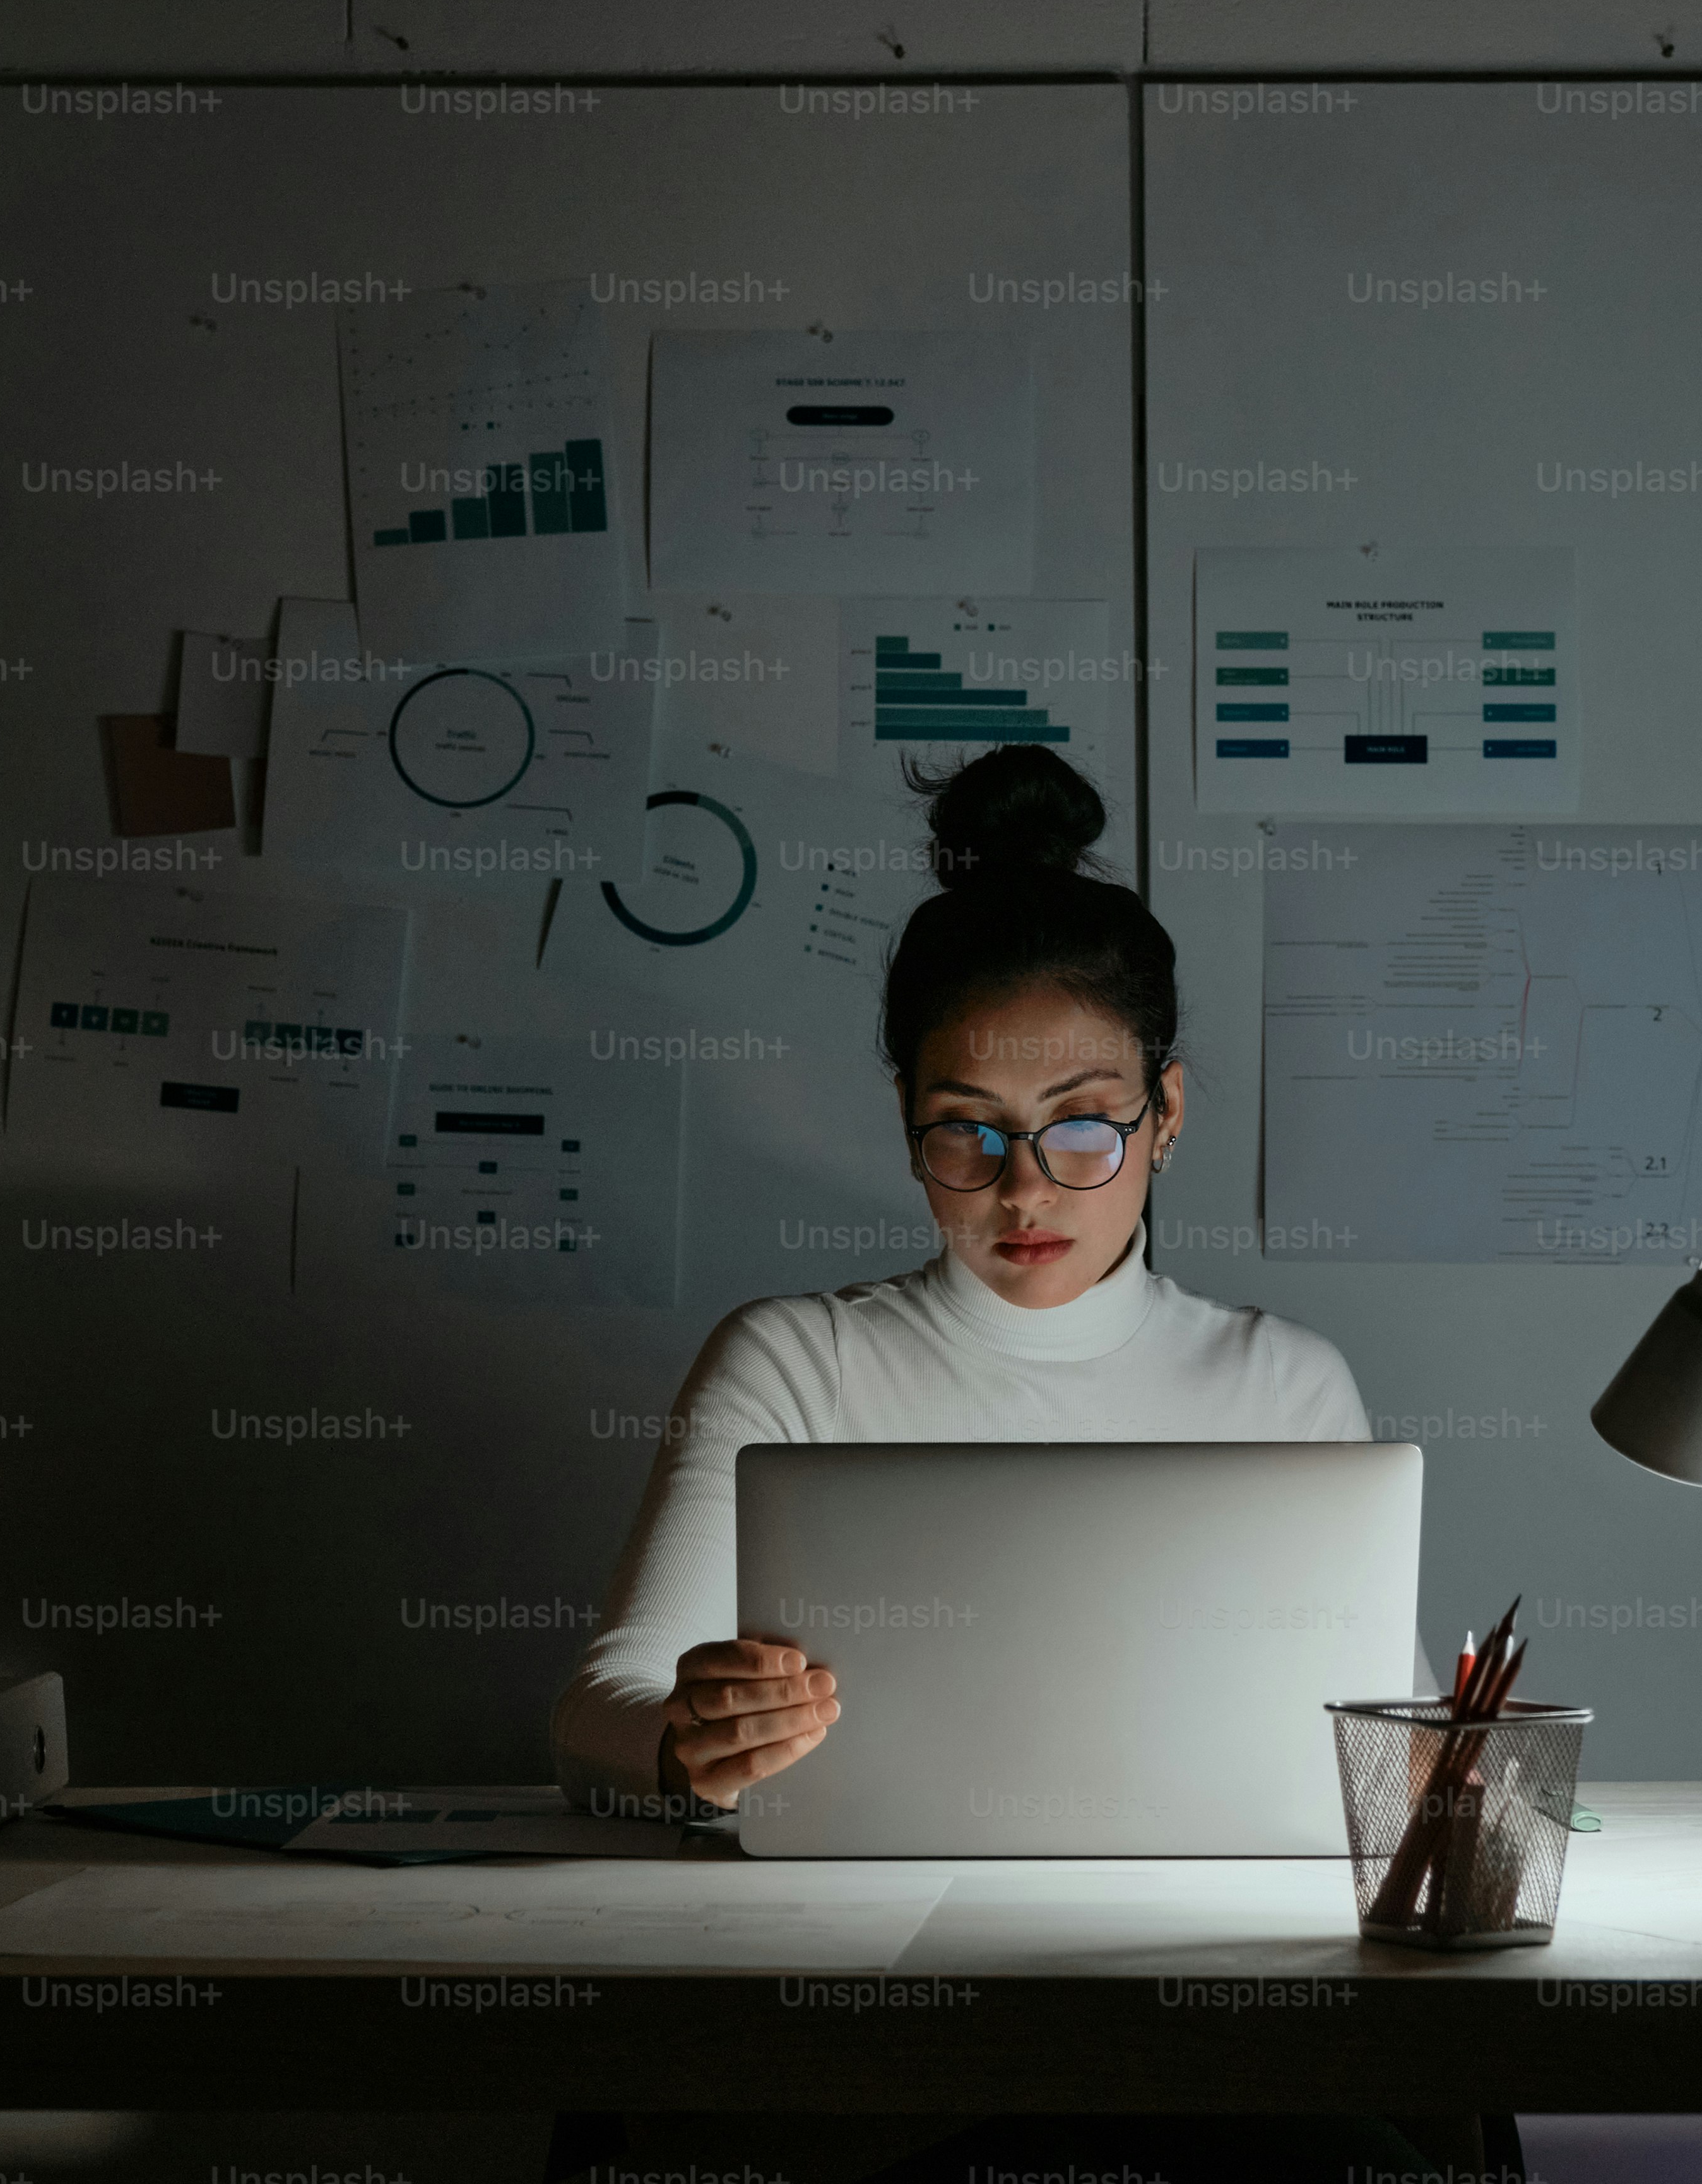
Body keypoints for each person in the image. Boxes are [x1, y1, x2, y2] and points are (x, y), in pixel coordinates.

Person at [549, 741, 1381, 1814]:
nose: (1024, 1191)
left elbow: (1392, 1732)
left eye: (1082, 1126)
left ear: (1164, 1113)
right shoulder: (801, 1361)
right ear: (907, 1123)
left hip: (1183, 1920)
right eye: (966, 1131)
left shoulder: (1285, 1385)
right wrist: (685, 1742)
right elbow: (591, 1713)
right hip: (851, 1925)